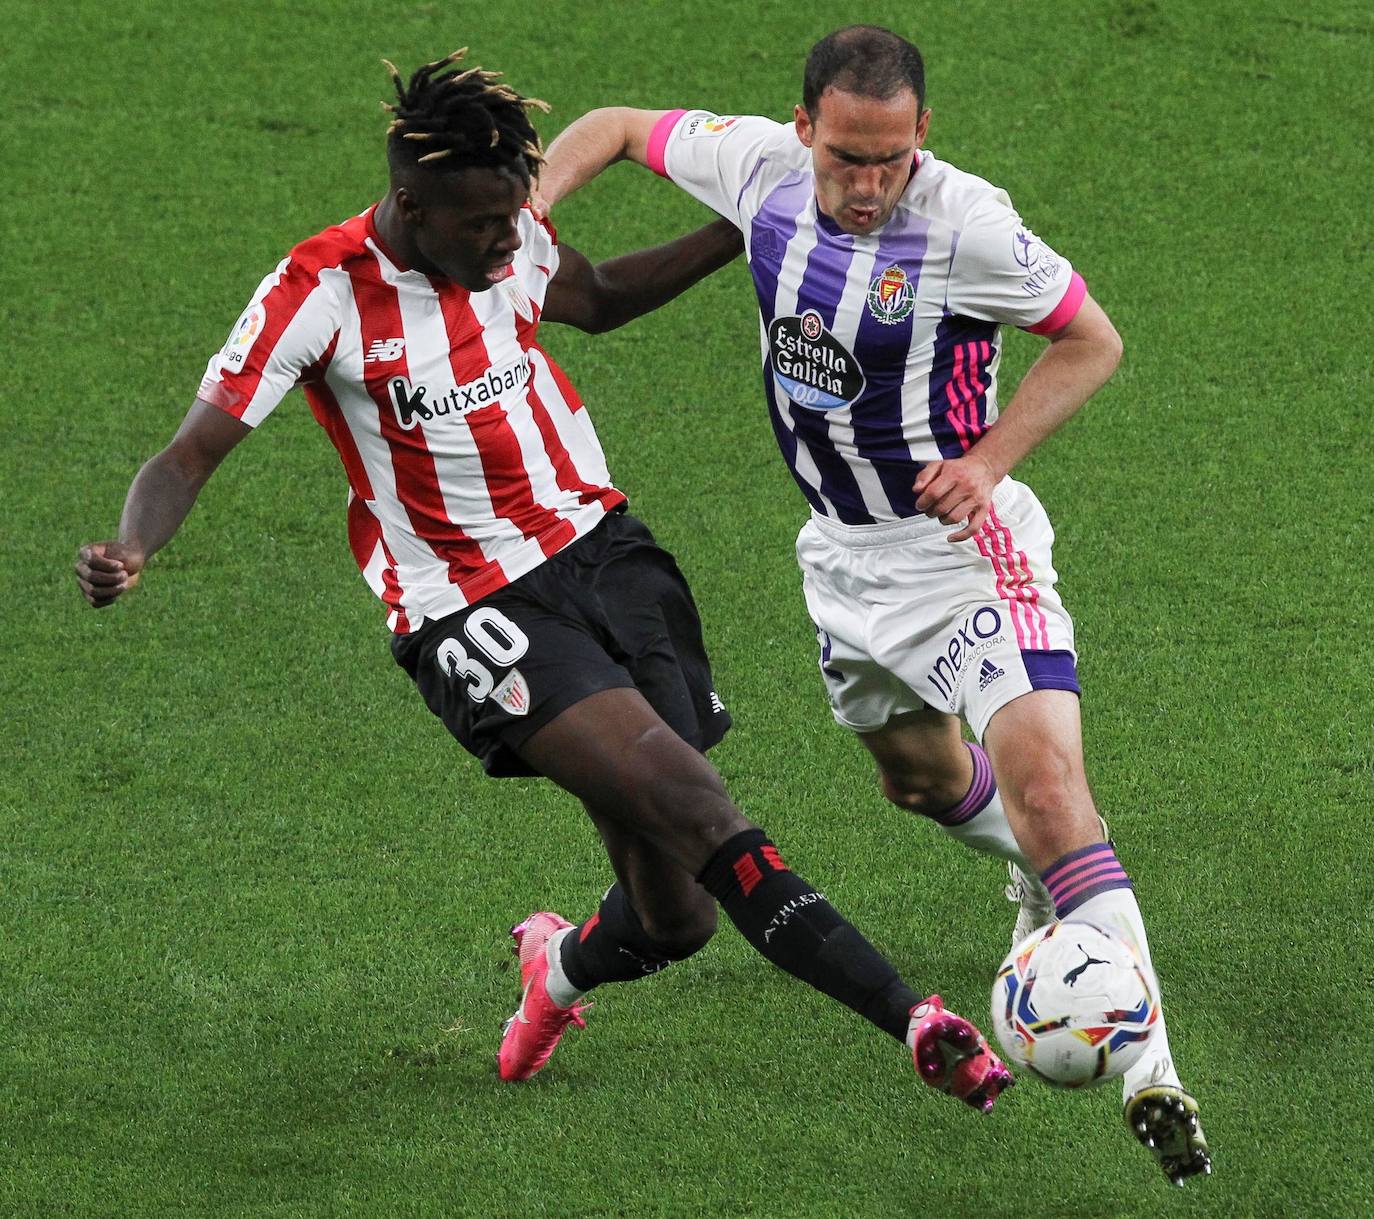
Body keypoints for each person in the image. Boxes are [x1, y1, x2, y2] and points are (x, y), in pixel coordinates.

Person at [74, 50, 1013, 1112]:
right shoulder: (320, 292)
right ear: (411, 206)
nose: (510, 240)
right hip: (473, 606)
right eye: (481, 226)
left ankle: (556, 968)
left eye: (516, 216)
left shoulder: (503, 233)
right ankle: (917, 1020)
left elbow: (602, 296)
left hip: (609, 557)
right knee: (702, 809)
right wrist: (134, 546)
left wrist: (750, 223)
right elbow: (187, 454)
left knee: (680, 916)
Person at [535, 25, 1210, 1185]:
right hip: (842, 565)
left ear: (921, 138)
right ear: (804, 131)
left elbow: (1091, 341)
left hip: (960, 550)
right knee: (921, 783)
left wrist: (990, 460)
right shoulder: (753, 165)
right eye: (846, 157)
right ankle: (1048, 869)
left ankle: (1151, 1067)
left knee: (1052, 788)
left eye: (889, 159)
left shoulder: (967, 223)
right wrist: (524, 221)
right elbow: (607, 128)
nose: (865, 184)